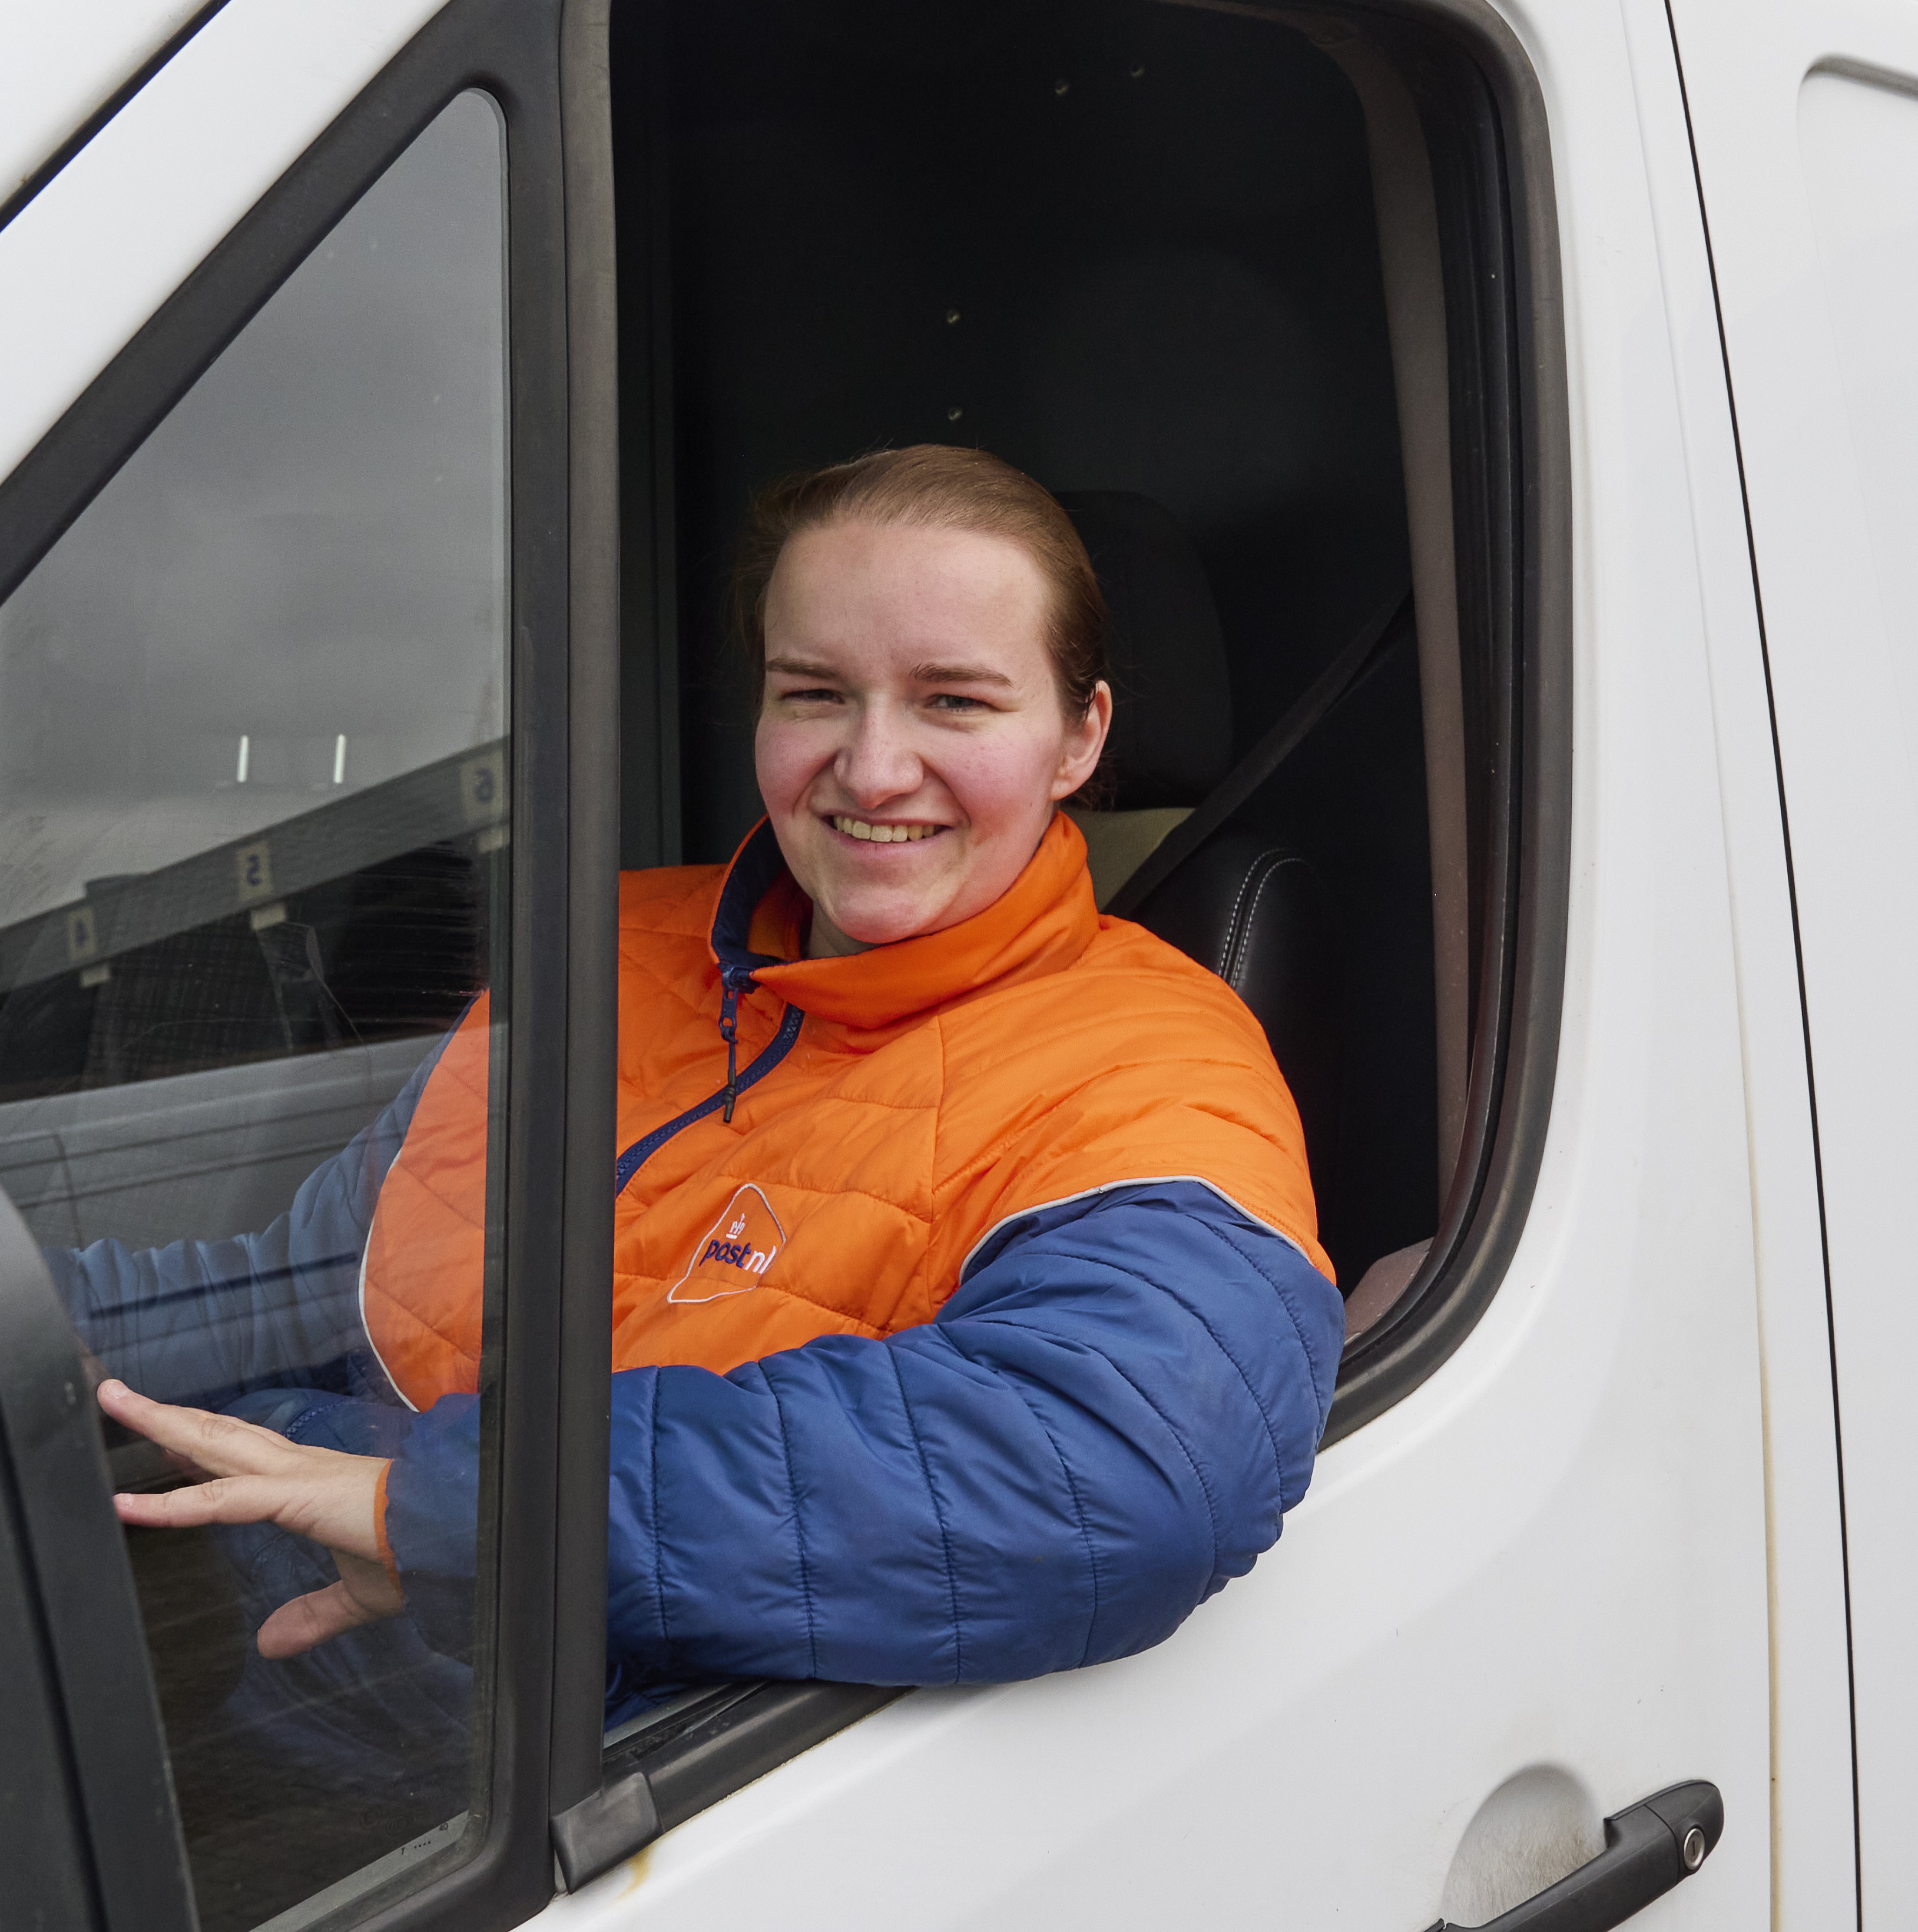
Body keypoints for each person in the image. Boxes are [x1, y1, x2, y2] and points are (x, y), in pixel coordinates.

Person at [67, 445, 1341, 1745]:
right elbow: (299, 1278)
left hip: (558, 1780)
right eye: (816, 694)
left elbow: (1115, 1472)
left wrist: (463, 1512)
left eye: (954, 701)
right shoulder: (606, 946)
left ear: (1080, 736)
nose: (876, 766)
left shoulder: (1157, 1060)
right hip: (282, 1661)